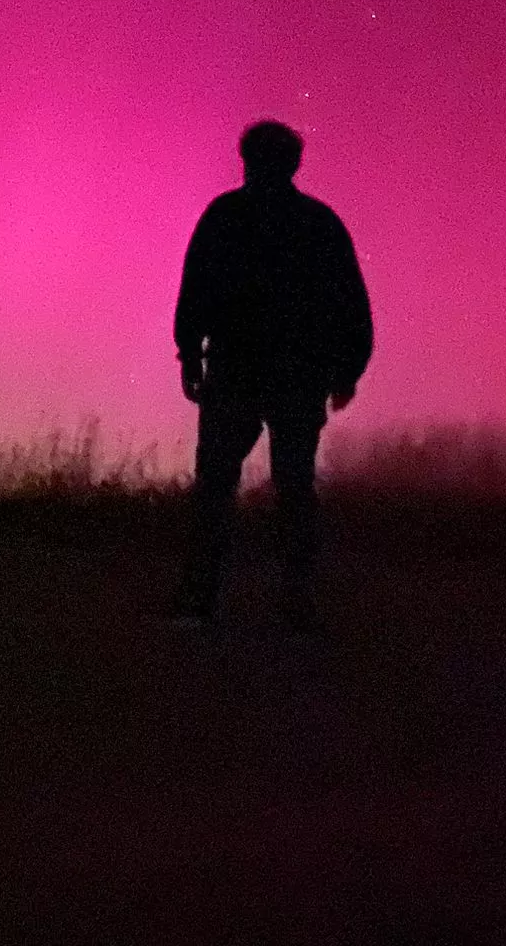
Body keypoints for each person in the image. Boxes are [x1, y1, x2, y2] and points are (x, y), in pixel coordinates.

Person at [170, 120, 373, 631]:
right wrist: (347, 368)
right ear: (295, 164)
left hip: (238, 368)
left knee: (217, 486)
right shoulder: (318, 223)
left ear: (246, 160)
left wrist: (191, 356)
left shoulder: (225, 216)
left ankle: (200, 600)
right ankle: (295, 605)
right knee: (294, 487)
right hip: (297, 373)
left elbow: (196, 287)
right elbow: (349, 300)